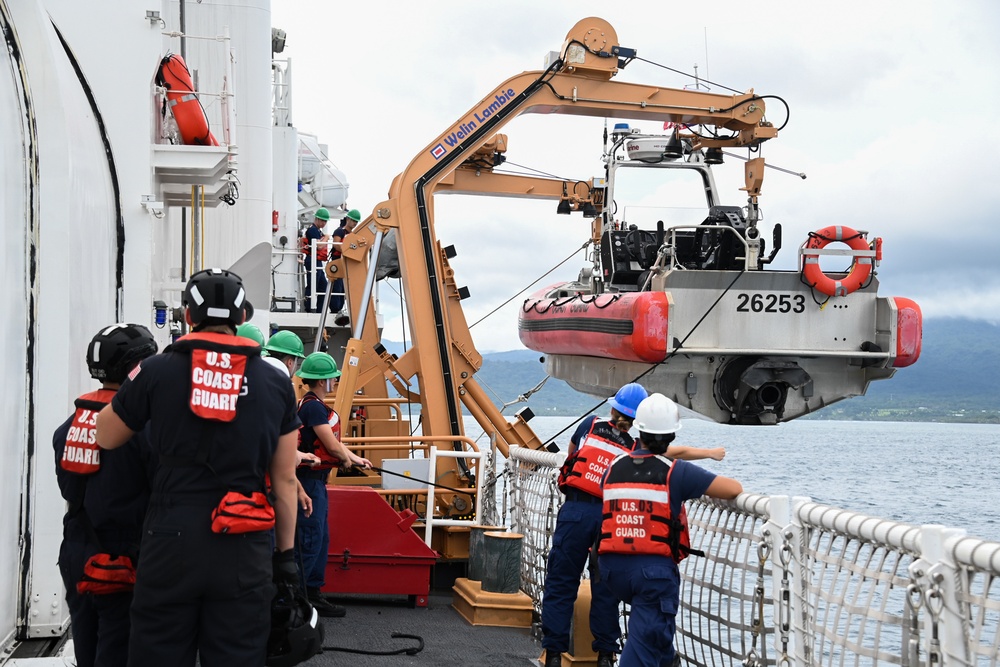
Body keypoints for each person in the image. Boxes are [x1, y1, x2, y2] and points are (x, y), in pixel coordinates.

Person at [95, 268, 301, 667]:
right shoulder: (275, 382)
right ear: (244, 317)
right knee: (238, 654)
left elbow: (106, 437)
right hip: (244, 539)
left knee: (158, 651)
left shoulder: (157, 370)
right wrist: (286, 558)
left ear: (188, 315)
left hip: (170, 533)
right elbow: (285, 479)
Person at [543, 384, 725, 667]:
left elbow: (571, 457)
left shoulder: (590, 425)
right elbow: (675, 453)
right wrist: (710, 452)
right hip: (608, 517)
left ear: (613, 408)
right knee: (604, 590)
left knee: (560, 581)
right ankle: (605, 655)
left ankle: (553, 654)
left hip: (576, 511)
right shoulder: (632, 448)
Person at [598, 394, 742, 667]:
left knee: (658, 637)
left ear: (638, 431)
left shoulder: (613, 467)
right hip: (652, 574)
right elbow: (733, 489)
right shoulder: (676, 472)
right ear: (671, 436)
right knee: (643, 643)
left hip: (611, 570)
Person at [54, 324, 158, 667]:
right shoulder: (141, 429)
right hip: (124, 558)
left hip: (77, 553)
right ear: (137, 369)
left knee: (87, 648)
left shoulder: (68, 426)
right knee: (121, 652)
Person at [294, 352, 371, 617]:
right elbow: (330, 444)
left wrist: (355, 459)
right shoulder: (313, 407)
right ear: (322, 382)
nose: (335, 382)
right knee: (309, 540)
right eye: (331, 379)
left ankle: (312, 593)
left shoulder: (312, 404)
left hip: (317, 483)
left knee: (320, 539)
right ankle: (299, 598)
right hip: (308, 482)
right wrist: (346, 458)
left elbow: (335, 445)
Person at [328, 209, 361, 314]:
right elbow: (336, 245)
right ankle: (335, 309)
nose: (355, 223)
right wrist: (348, 252)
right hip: (338, 261)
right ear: (348, 219)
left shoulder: (353, 234)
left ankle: (340, 308)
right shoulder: (339, 231)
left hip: (347, 263)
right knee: (337, 286)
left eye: (356, 221)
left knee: (343, 288)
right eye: (353, 221)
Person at [302, 207, 333, 313]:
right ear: (317, 219)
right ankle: (309, 307)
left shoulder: (318, 231)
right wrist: (327, 238)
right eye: (323, 220)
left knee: (323, 286)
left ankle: (320, 310)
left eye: (325, 221)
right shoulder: (312, 230)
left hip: (317, 260)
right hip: (312, 260)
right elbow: (319, 246)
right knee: (312, 284)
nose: (324, 223)